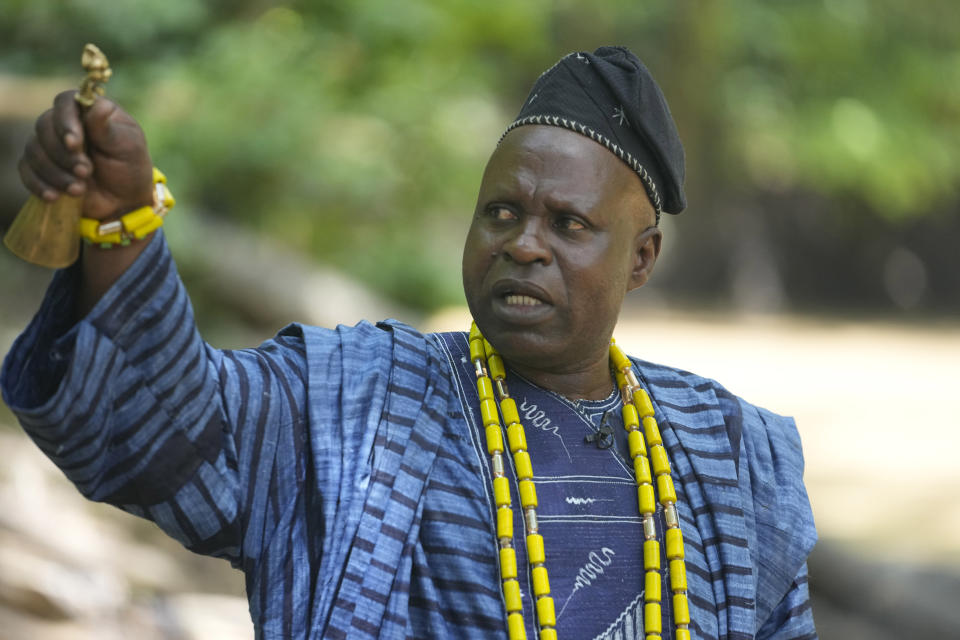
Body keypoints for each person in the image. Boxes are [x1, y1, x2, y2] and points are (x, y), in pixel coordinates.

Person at [2, 46, 817, 640]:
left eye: (568, 224)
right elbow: (167, 426)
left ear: (641, 260)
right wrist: (120, 223)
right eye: (502, 213)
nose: (524, 244)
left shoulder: (733, 454)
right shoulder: (352, 401)